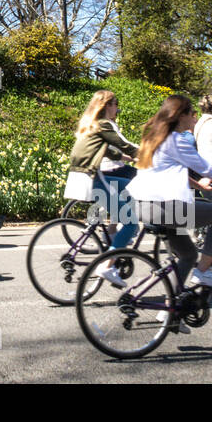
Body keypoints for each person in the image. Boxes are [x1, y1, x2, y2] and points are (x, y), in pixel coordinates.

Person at [126, 94, 212, 324]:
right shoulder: (176, 140)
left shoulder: (155, 138)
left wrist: (198, 185)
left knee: (187, 255)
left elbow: (168, 172)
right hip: (167, 209)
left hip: (144, 206)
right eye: (191, 113)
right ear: (181, 116)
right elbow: (209, 169)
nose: (195, 117)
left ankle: (171, 312)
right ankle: (204, 271)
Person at [69, 90, 139, 285]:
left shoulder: (90, 124)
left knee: (134, 187)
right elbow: (124, 144)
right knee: (132, 222)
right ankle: (107, 265)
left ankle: (113, 235)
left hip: (83, 176)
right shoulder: (104, 124)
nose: (117, 108)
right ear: (107, 105)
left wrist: (124, 157)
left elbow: (106, 149)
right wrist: (151, 156)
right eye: (115, 104)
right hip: (95, 179)